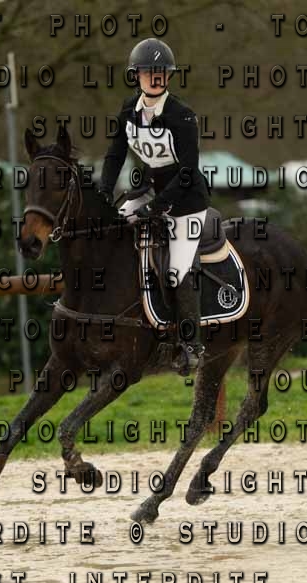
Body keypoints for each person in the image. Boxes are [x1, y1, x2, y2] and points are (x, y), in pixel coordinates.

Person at [98, 37, 210, 375]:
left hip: (186, 201)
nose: (155, 77)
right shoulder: (128, 110)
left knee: (178, 269)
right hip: (149, 190)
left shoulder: (182, 116)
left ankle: (191, 345)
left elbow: (188, 173)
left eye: (161, 72)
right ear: (137, 75)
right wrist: (104, 192)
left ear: (169, 76)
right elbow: (115, 155)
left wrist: (156, 207)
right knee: (110, 235)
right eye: (149, 72)